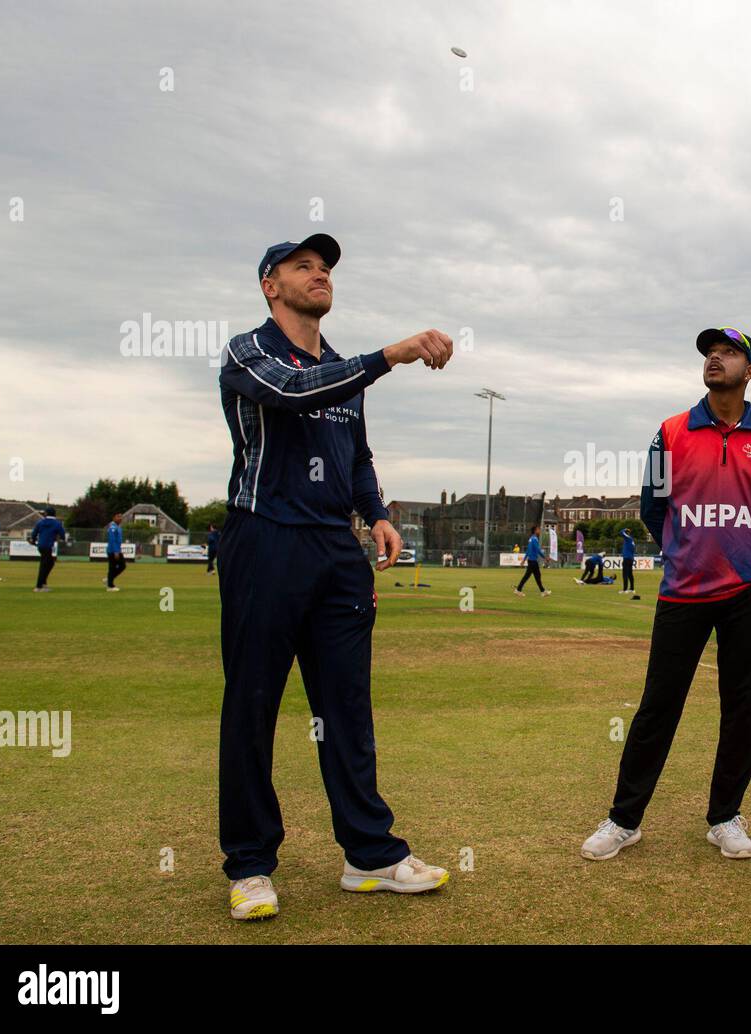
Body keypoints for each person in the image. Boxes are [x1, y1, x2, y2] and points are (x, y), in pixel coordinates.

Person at [217, 233, 455, 921]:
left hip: (335, 554)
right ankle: (251, 865)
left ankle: (370, 857)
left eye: (324, 268)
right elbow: (289, 393)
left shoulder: (342, 372)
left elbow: (355, 454)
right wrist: (390, 355)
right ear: (271, 284)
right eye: (303, 267)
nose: (319, 274)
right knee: (253, 705)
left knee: (347, 708)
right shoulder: (250, 351)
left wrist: (374, 512)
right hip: (265, 540)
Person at [582, 326, 751, 862]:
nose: (715, 360)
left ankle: (726, 816)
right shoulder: (671, 431)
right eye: (710, 354)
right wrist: (687, 549)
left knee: (740, 706)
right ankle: (623, 819)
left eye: (728, 353)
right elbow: (655, 507)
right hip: (685, 589)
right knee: (658, 705)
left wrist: (746, 556)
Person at [29, 507, 67, 592]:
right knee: (44, 566)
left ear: (47, 513)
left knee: (50, 563)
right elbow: (63, 536)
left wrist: (33, 540)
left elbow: (34, 534)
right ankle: (39, 586)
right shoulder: (57, 523)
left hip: (41, 546)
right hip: (48, 546)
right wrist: (57, 537)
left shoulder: (40, 522)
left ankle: (43, 583)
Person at [514, 524, 551, 597]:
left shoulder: (531, 539)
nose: (539, 531)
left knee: (536, 576)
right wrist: (545, 557)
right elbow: (537, 550)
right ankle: (518, 590)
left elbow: (528, 550)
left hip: (531, 561)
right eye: (538, 529)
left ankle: (543, 591)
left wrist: (524, 560)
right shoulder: (534, 539)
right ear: (535, 531)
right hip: (533, 561)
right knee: (529, 576)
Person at [105, 513, 126, 591]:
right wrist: (115, 551)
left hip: (117, 550)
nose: (120, 518)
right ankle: (110, 586)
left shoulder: (118, 527)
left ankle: (109, 580)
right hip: (113, 551)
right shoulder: (112, 527)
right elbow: (112, 540)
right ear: (114, 518)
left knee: (122, 566)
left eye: (121, 517)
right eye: (118, 516)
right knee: (113, 567)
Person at [619, 527, 637, 594]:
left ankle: (625, 590)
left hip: (626, 559)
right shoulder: (632, 541)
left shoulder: (628, 538)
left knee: (625, 574)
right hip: (631, 559)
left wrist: (625, 529)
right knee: (630, 574)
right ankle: (632, 589)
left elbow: (621, 532)